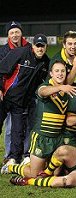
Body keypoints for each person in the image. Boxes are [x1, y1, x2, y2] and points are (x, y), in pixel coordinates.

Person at [1, 60, 76, 177]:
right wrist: (60, 87)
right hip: (42, 138)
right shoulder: (46, 86)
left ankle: (46, 163)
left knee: (56, 174)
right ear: (51, 73)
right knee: (35, 174)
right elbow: (43, 92)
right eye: (56, 71)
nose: (60, 73)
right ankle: (12, 167)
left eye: (62, 71)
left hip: (57, 138)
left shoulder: (66, 89)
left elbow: (68, 83)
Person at [0, 34, 49, 165]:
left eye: (42, 46)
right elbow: (1, 69)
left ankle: (14, 159)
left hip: (21, 103)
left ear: (46, 47)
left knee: (18, 132)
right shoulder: (20, 53)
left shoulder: (45, 63)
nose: (40, 49)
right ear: (33, 46)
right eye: (37, 46)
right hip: (5, 97)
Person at [0, 21, 31, 165]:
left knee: (23, 127)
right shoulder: (3, 50)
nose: (14, 34)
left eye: (17, 31)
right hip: (7, 95)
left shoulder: (29, 48)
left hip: (24, 96)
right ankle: (9, 155)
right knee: (10, 127)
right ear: (8, 35)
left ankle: (24, 155)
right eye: (11, 32)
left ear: (21, 33)